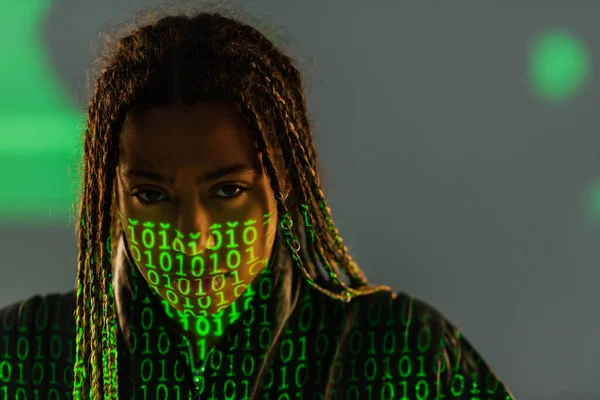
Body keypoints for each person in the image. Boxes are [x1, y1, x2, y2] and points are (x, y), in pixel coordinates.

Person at [0, 4, 515, 399]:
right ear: (113, 196)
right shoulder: (24, 352)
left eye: (227, 191)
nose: (192, 236)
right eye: (151, 195)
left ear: (284, 182)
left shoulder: (399, 349)